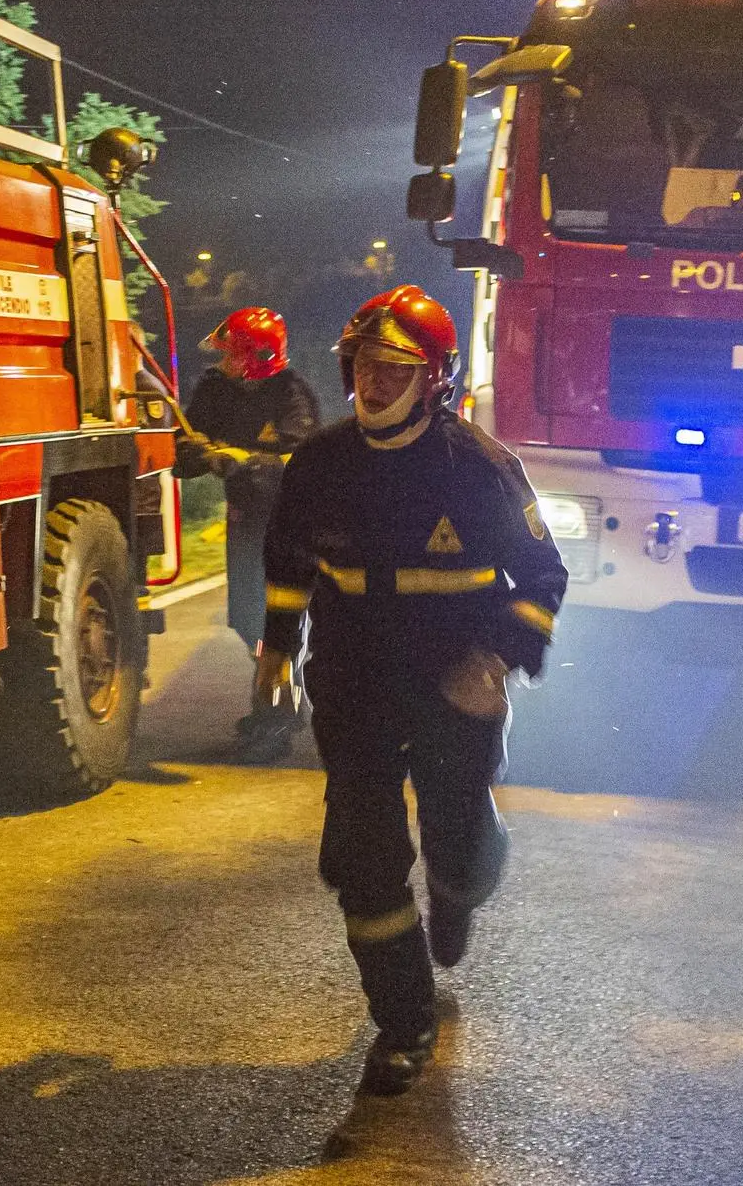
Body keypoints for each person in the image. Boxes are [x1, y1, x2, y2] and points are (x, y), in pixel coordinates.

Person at [255, 285, 567, 1096]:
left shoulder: (482, 467)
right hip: (353, 679)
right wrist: (278, 645)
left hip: (452, 681)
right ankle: (403, 1020)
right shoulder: (317, 463)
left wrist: (493, 660)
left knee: (455, 843)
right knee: (360, 858)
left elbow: (542, 576)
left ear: (433, 378)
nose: (374, 379)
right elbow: (289, 562)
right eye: (362, 362)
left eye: (396, 366)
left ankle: (458, 884)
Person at [175, 306, 321, 761]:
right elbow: (184, 451)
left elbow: (303, 464)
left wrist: (242, 459)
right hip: (245, 521)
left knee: (273, 618)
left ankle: (276, 712)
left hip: (290, 524)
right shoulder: (216, 389)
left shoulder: (292, 396)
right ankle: (282, 693)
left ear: (256, 356)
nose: (223, 363)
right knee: (246, 620)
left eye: (231, 355)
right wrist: (195, 450)